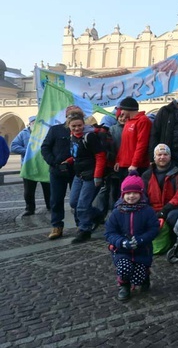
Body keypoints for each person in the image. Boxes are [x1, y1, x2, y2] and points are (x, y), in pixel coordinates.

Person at [104, 174, 160, 302]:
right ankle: (124, 286)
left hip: (142, 251)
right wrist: (122, 242)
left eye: (135, 192)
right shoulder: (117, 212)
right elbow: (109, 233)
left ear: (141, 193)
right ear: (123, 194)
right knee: (124, 268)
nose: (131, 196)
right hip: (122, 251)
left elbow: (154, 229)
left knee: (138, 277)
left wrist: (141, 239)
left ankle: (144, 275)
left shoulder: (147, 211)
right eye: (128, 193)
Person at [66, 110, 107, 244]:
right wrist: (69, 161)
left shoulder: (89, 137)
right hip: (79, 175)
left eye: (79, 125)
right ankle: (98, 215)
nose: (77, 128)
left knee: (83, 205)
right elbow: (78, 155)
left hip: (91, 175)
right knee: (73, 202)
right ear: (69, 127)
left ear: (83, 124)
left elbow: (100, 156)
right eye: (74, 126)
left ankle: (85, 230)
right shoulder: (72, 137)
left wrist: (98, 176)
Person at [41, 105, 81, 240]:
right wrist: (54, 162)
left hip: (76, 171)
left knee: (77, 201)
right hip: (57, 171)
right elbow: (45, 147)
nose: (74, 122)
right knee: (56, 200)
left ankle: (80, 225)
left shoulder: (83, 131)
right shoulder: (55, 130)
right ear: (66, 117)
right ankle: (57, 226)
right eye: (71, 116)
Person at [141, 144, 178, 230]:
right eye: (159, 155)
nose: (162, 157)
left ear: (170, 156)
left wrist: (165, 209)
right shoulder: (146, 175)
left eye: (165, 154)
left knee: (172, 217)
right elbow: (142, 195)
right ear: (154, 158)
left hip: (172, 209)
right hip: (152, 209)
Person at [11, 116, 50, 216]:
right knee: (29, 190)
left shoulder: (46, 133)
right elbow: (14, 146)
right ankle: (29, 208)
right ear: (30, 124)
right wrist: (28, 152)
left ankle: (50, 206)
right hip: (29, 166)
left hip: (44, 166)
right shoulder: (24, 133)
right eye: (34, 123)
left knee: (48, 188)